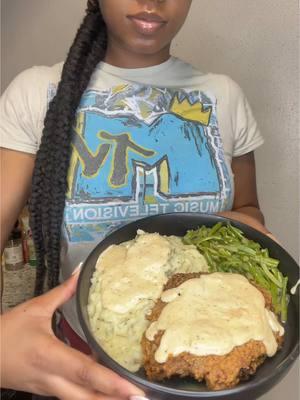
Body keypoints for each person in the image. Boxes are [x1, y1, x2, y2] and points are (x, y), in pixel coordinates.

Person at [0, 0, 272, 398]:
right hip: (83, 360)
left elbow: (249, 210)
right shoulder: (35, 92)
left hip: (208, 352)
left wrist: (252, 234)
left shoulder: (223, 95)